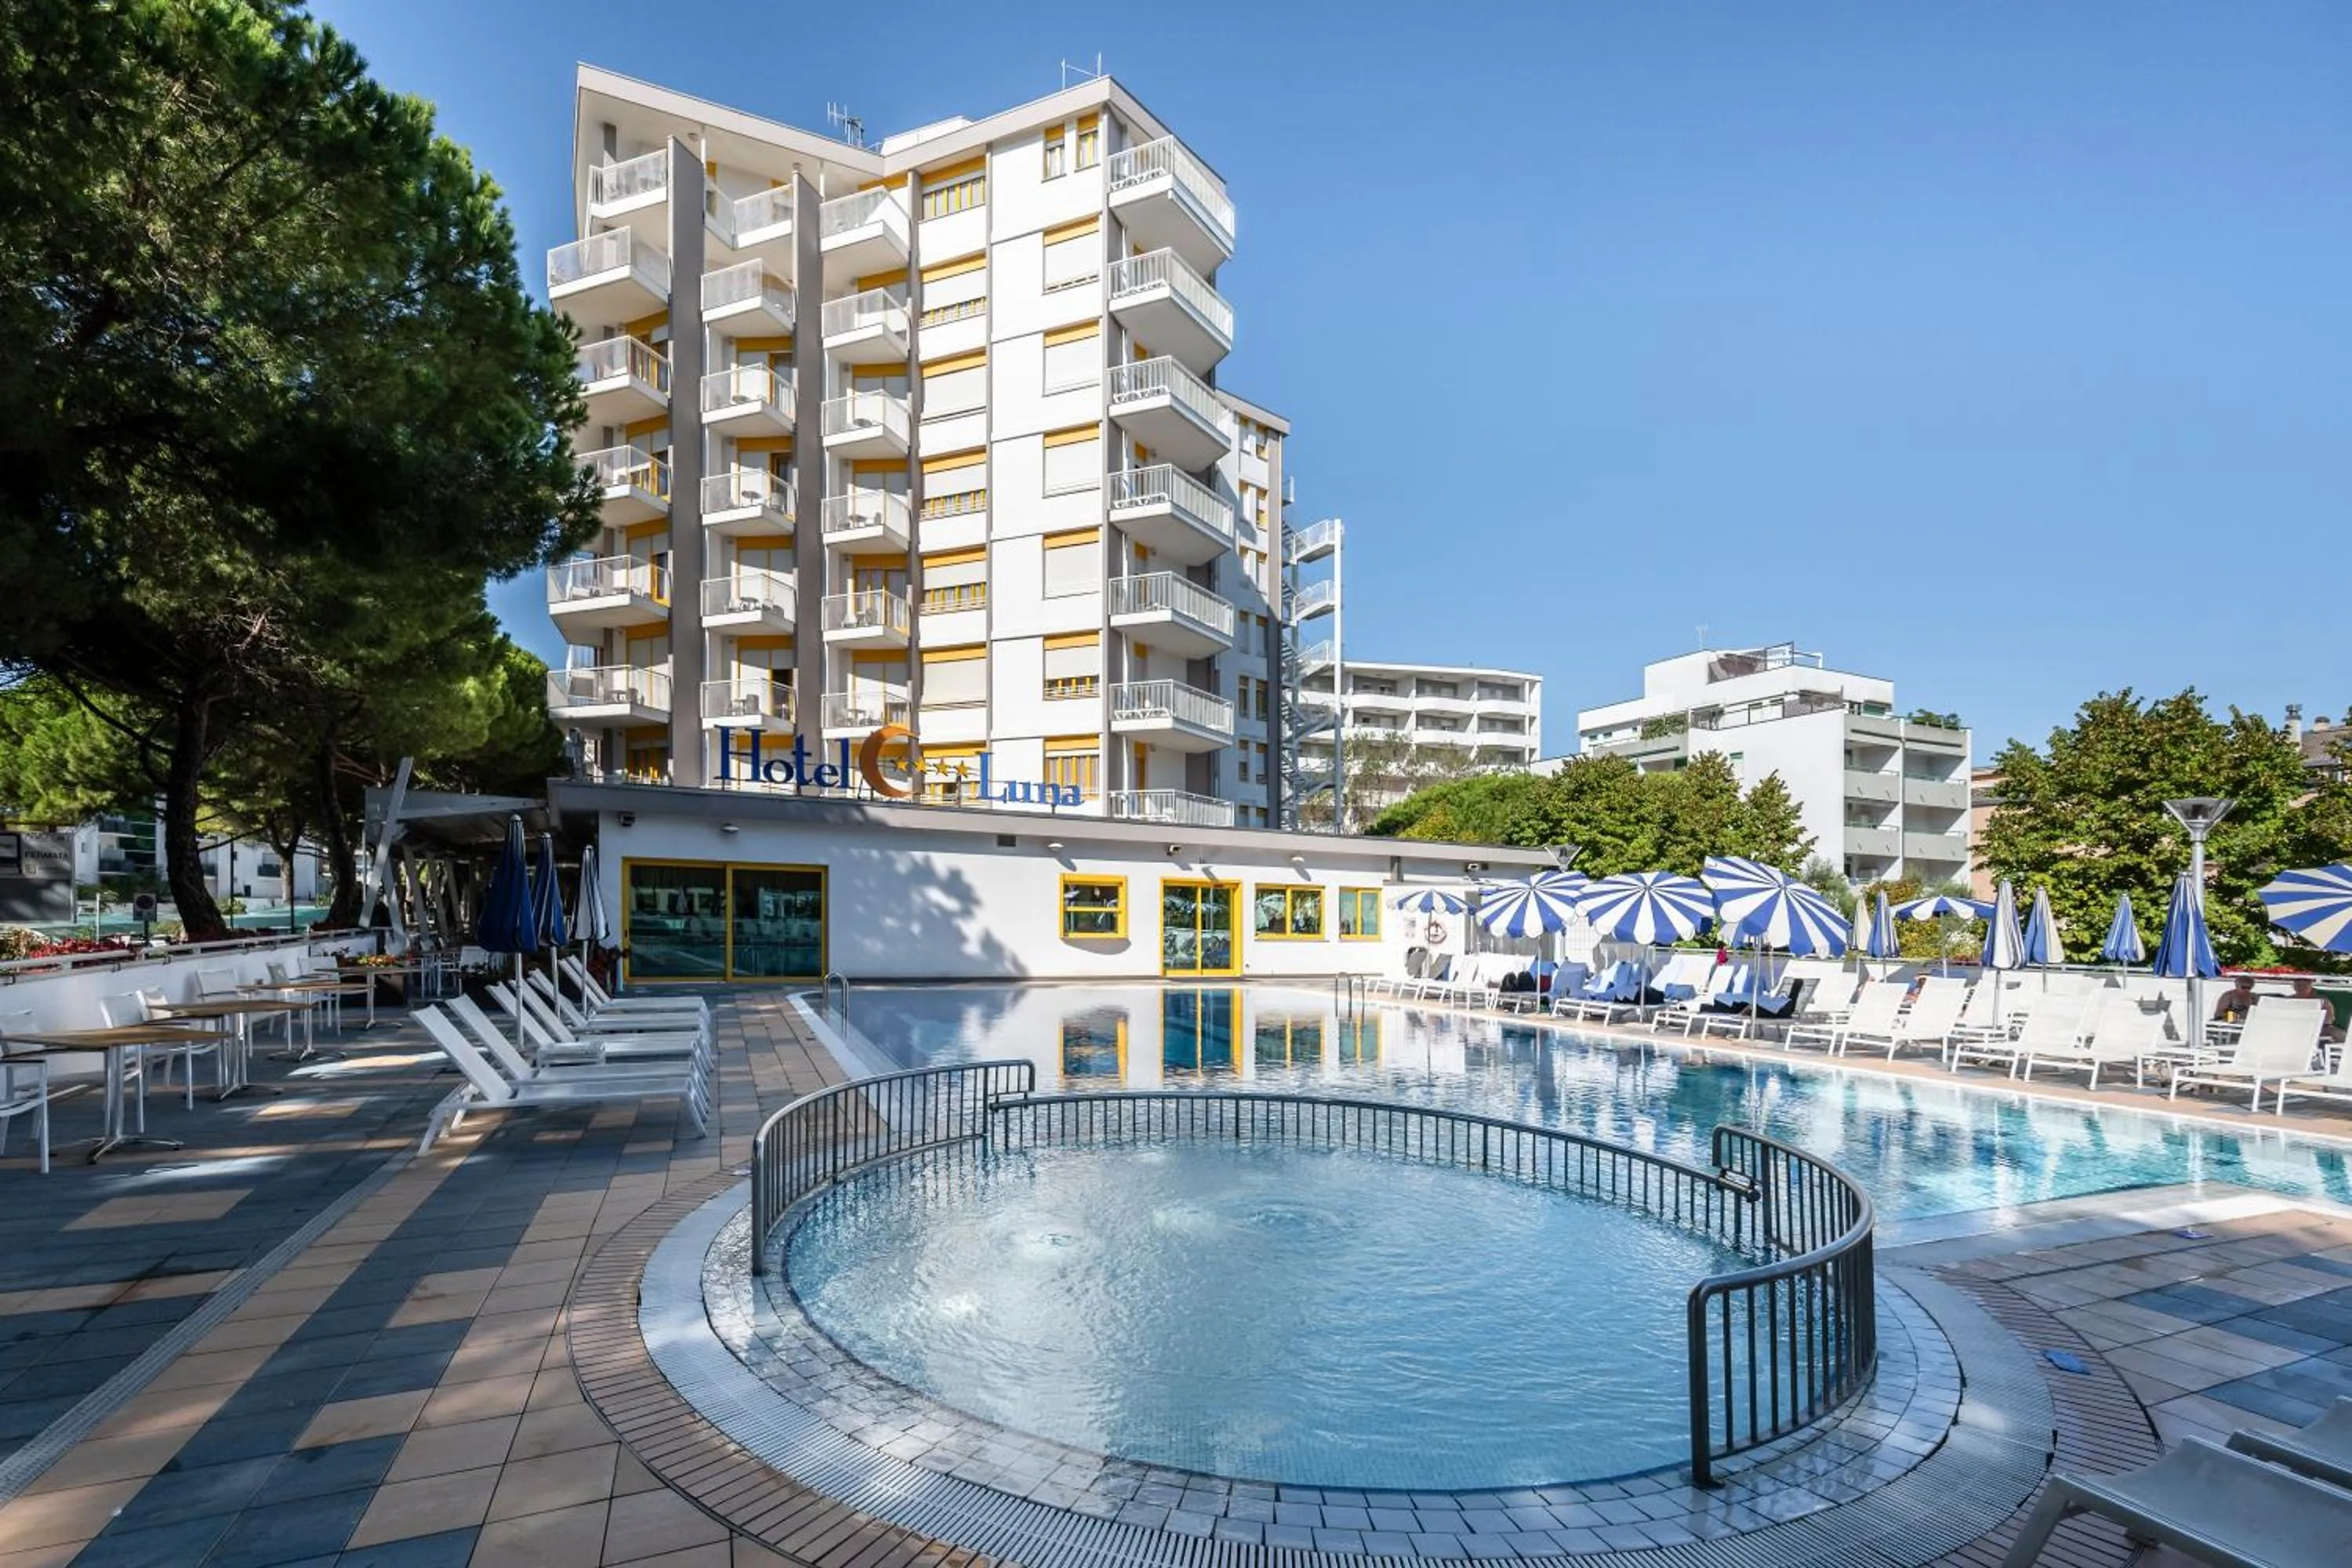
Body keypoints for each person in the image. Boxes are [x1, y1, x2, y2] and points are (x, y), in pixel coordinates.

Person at [2289, 977, 2347, 1044]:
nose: (2301, 988)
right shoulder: (2288, 1001)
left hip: (2319, 1028)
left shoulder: (2322, 1001)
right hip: (2294, 1028)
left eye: (2304, 986)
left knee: (2339, 1034)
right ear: (2294, 987)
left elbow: (2329, 1020)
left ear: (2311, 987)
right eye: (2298, 986)